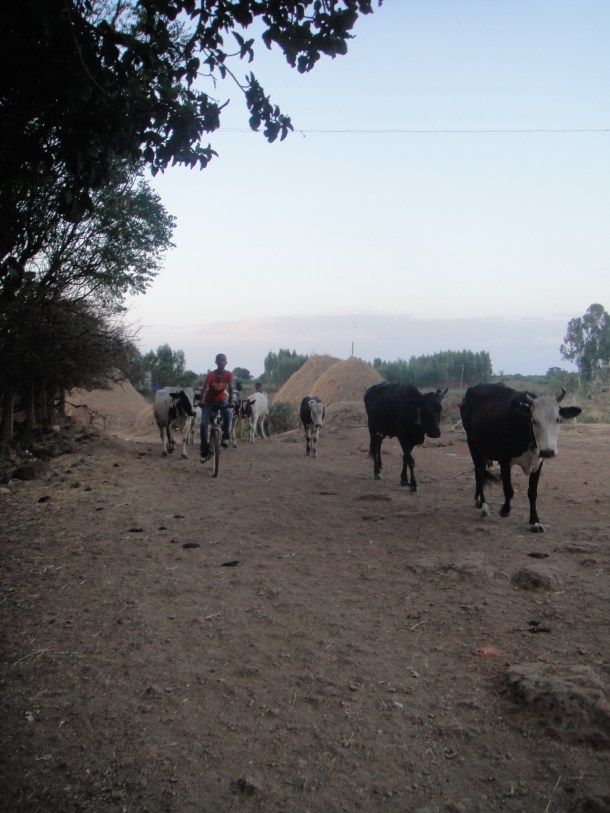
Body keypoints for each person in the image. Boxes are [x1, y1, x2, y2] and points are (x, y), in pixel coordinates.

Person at [198, 354, 234, 460]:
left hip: (222, 399)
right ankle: (204, 451)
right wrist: (202, 401)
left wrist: (231, 402)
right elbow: (205, 389)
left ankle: (225, 437)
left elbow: (231, 389)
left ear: (226, 363)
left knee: (229, 413)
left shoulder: (229, 375)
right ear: (216, 362)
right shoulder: (211, 375)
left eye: (223, 360)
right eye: (219, 360)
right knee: (203, 425)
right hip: (208, 401)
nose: (221, 362)